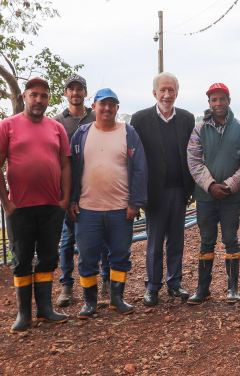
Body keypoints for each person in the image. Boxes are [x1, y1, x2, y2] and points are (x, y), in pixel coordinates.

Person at [0, 77, 71, 333]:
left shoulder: (56, 128)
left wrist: (65, 199)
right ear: (24, 97)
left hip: (51, 205)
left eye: (44, 96)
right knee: (22, 258)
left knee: (48, 256)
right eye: (34, 95)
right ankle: (23, 314)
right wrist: (6, 201)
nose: (39, 100)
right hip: (20, 207)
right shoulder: (6, 126)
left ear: (49, 99)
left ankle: (45, 309)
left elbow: (66, 164)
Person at [69, 88, 148, 317]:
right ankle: (89, 302)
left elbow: (140, 168)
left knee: (120, 254)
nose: (107, 108)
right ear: (93, 106)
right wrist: (72, 200)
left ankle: (117, 299)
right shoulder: (81, 134)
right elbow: (72, 169)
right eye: (102, 104)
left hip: (120, 209)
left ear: (117, 109)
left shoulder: (128, 133)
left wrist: (136, 202)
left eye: (112, 104)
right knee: (86, 257)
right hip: (87, 209)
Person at [130, 72, 195, 306]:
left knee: (177, 239)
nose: (167, 95)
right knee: (154, 242)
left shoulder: (187, 119)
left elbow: (193, 155)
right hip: (153, 193)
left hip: (180, 191)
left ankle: (175, 283)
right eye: (162, 90)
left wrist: (192, 188)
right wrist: (136, 196)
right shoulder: (140, 119)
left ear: (177, 92)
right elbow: (133, 160)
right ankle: (153, 286)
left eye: (171, 90)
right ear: (154, 93)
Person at [185, 83, 240, 305]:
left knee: (231, 240)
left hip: (231, 197)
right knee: (206, 241)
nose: (218, 103)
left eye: (222, 99)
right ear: (209, 103)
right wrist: (211, 185)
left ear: (229, 100)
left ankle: (232, 289)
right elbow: (193, 161)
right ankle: (202, 289)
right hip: (205, 197)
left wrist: (230, 185)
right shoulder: (199, 129)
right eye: (214, 100)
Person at [52, 74, 100, 308]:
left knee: (99, 238)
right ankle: (67, 285)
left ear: (85, 93)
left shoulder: (96, 116)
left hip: (96, 187)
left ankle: (106, 283)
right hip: (68, 189)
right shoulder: (57, 122)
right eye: (71, 89)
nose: (75, 93)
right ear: (65, 93)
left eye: (79, 89)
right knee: (68, 238)